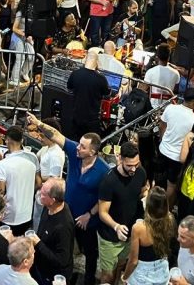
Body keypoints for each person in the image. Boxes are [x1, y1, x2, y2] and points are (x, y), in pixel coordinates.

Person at [27, 114, 109, 285]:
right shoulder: (74, 153)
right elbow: (56, 135)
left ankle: (88, 280)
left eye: (83, 147)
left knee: (90, 252)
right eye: (78, 144)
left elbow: (105, 198)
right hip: (67, 214)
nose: (78, 148)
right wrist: (38, 123)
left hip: (87, 220)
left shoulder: (104, 170)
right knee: (66, 247)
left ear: (92, 152)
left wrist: (89, 214)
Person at [97, 141, 148, 283]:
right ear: (120, 159)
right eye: (129, 166)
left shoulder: (140, 172)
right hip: (110, 237)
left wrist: (146, 197)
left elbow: (143, 191)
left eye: (136, 165)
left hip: (131, 233)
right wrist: (116, 226)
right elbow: (103, 212)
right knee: (107, 274)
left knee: (121, 266)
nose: (133, 169)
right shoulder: (109, 181)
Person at [121, 186, 174, 285]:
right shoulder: (170, 220)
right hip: (162, 272)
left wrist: (125, 277)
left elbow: (133, 261)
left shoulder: (138, 228)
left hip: (142, 276)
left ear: (149, 205)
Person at [0, 125, 39, 235]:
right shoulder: (33, 157)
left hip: (8, 215)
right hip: (27, 213)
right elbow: (38, 183)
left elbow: (0, 192)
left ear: (7, 140)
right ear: (22, 140)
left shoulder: (3, 164)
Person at [159, 86, 194, 206]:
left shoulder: (170, 108)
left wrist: (163, 140)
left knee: (159, 182)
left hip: (163, 150)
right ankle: (165, 209)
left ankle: (154, 205)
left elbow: (162, 126)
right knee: (171, 185)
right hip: (177, 157)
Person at [31, 178, 73, 283]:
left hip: (52, 276)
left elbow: (62, 260)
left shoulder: (63, 226)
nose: (40, 194)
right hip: (41, 266)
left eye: (43, 193)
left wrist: (38, 243)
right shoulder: (48, 207)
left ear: (53, 199)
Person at [68, 48, 110, 138]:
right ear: (97, 62)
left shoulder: (75, 74)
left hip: (76, 116)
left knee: (75, 140)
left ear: (85, 59)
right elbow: (107, 94)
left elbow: (69, 87)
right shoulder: (101, 79)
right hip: (92, 119)